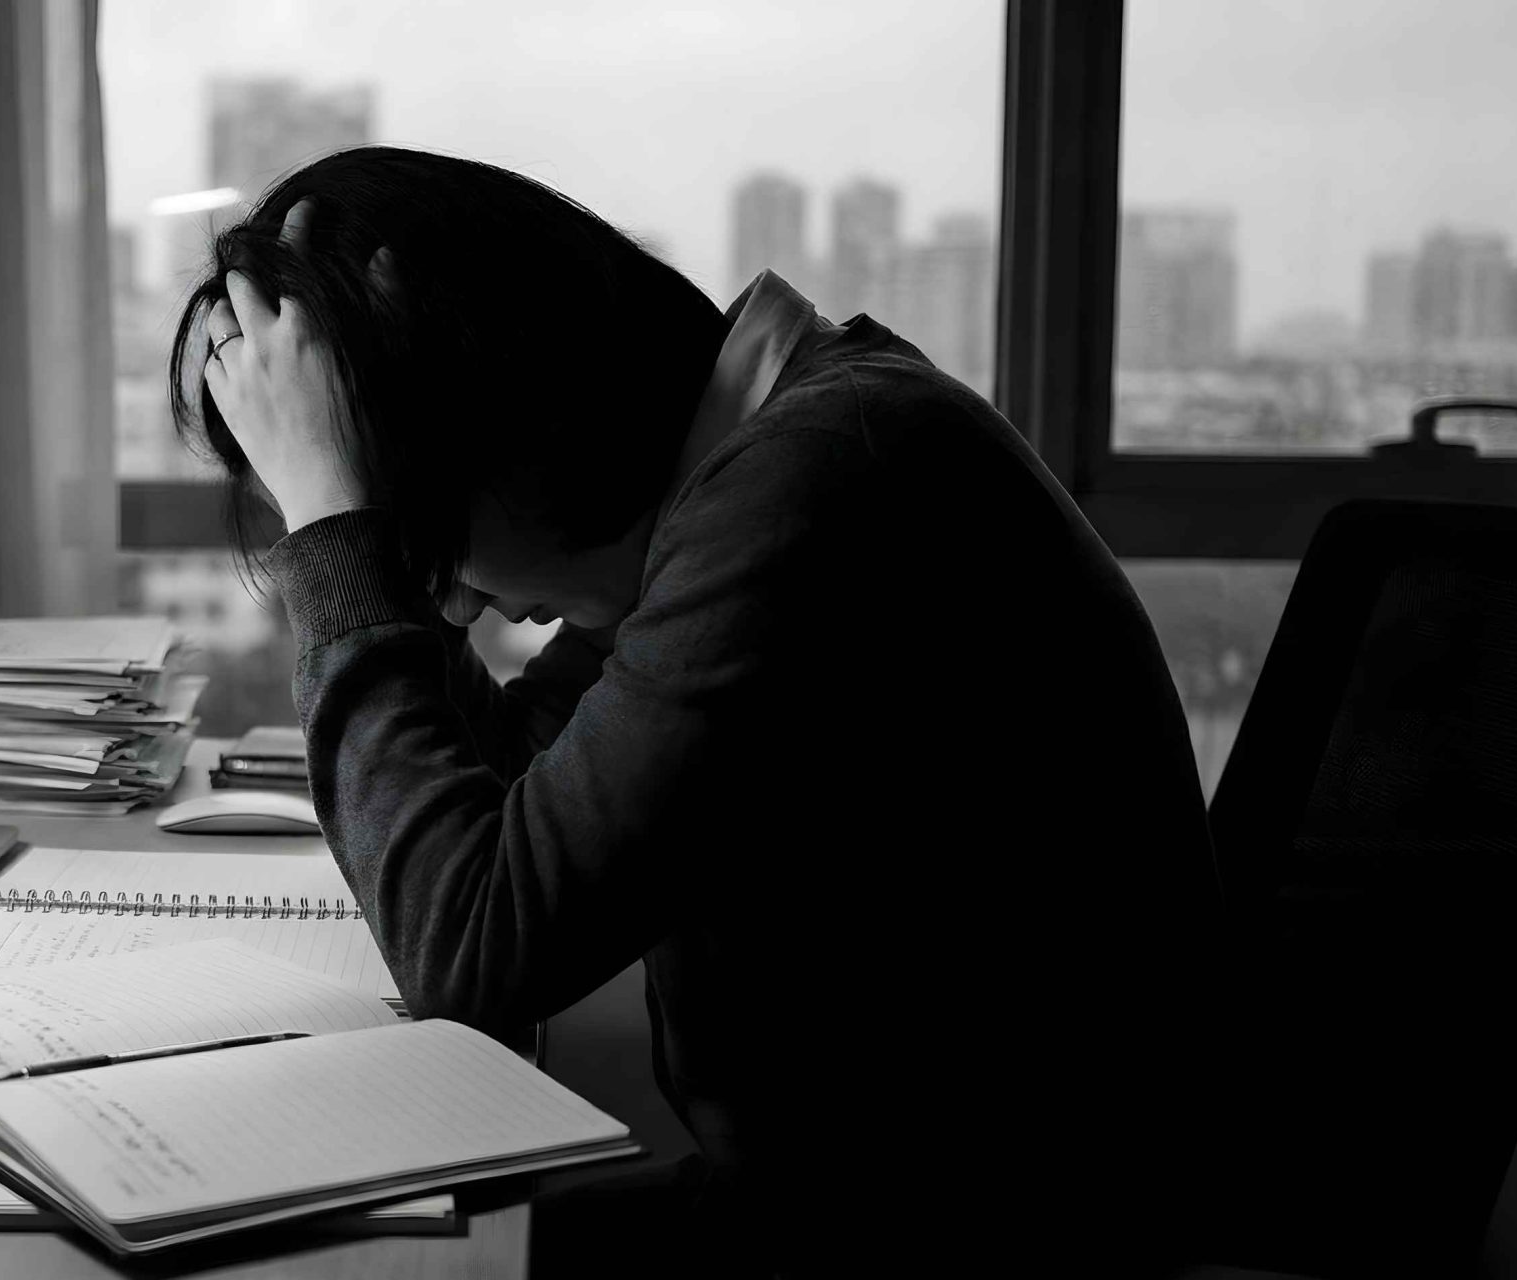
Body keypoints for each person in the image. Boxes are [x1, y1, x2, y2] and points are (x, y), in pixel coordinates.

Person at [173, 146, 1225, 1275]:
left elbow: (472, 944)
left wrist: (344, 528)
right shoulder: (747, 462)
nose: (463, 591)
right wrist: (378, 529)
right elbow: (530, 780)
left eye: (433, 520)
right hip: (828, 1201)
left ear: (492, 404)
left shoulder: (816, 482)